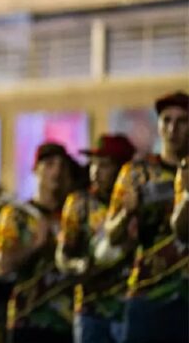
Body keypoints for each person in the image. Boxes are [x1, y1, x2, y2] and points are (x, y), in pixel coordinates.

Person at [103, 91, 188, 343]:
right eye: (166, 120)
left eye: (182, 121)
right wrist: (126, 213)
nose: (173, 128)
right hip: (147, 293)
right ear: (158, 125)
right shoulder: (136, 172)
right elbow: (111, 234)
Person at [0, 142, 76, 343]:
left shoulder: (74, 214)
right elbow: (1, 267)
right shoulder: (16, 215)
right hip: (29, 320)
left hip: (70, 321)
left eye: (62, 166)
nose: (56, 171)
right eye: (49, 164)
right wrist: (35, 246)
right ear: (35, 169)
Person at [56, 134, 136, 343]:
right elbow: (62, 255)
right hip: (91, 309)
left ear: (122, 169)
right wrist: (77, 265)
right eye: (93, 163)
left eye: (104, 165)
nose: (95, 171)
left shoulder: (136, 202)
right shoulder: (78, 203)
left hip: (131, 306)